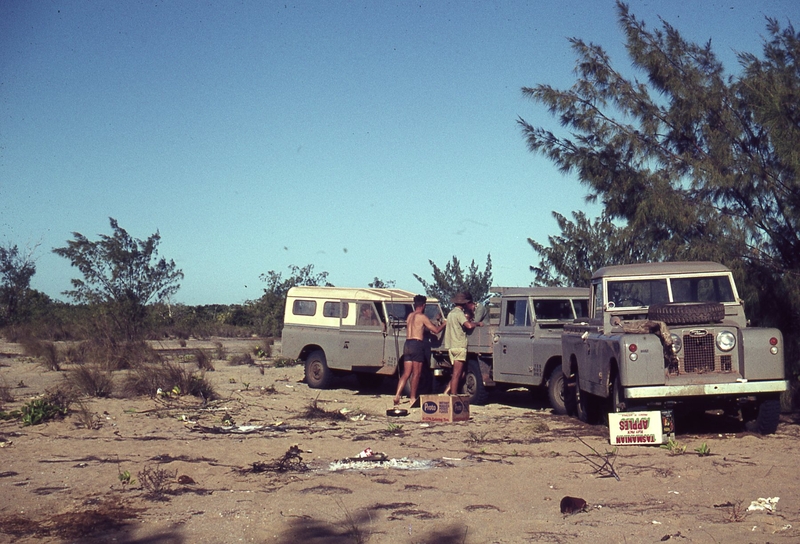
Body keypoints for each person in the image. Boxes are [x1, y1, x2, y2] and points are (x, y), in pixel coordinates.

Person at [394, 295, 446, 406]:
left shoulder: (410, 316)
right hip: (417, 345)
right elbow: (436, 330)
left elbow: (420, 328)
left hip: (407, 344)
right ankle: (413, 398)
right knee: (416, 373)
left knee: (406, 373)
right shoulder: (422, 317)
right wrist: (444, 324)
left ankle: (397, 395)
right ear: (423, 305)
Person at [443, 291, 483, 396]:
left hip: (451, 346)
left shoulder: (450, 314)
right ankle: (453, 395)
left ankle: (446, 393)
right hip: (459, 346)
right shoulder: (459, 314)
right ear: (464, 303)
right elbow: (468, 326)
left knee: (458, 373)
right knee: (457, 374)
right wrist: (478, 323)